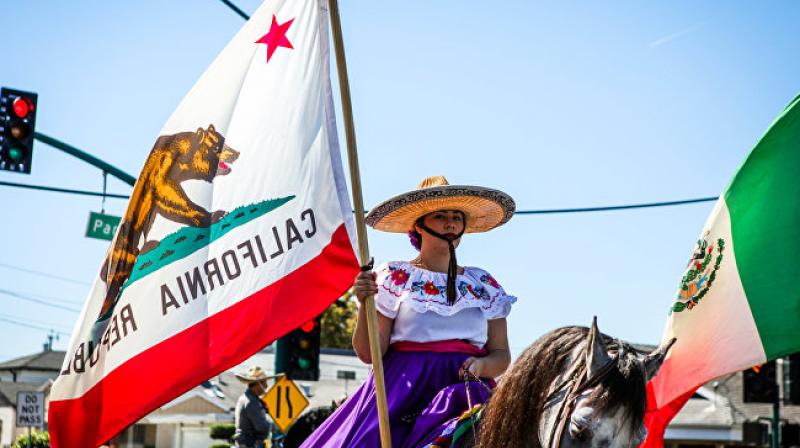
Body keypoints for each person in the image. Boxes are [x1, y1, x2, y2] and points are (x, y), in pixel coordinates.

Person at [300, 175, 517, 448]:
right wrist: (365, 303)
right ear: (419, 225)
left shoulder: (484, 284)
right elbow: (370, 354)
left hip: (466, 390)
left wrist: (483, 366)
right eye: (440, 215)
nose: (450, 222)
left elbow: (501, 354)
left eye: (456, 216)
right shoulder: (395, 277)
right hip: (404, 391)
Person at [234, 366, 274, 448]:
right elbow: (262, 427)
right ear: (258, 384)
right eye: (264, 383)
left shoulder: (244, 398)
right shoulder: (251, 402)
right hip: (251, 444)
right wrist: (273, 426)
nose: (266, 386)